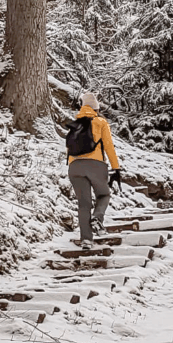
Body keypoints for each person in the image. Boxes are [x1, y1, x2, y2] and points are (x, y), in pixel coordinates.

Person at [68, 92, 121, 250]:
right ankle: (97, 219)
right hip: (95, 165)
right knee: (103, 194)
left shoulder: (74, 123)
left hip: (74, 167)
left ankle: (86, 240)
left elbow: (69, 149)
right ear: (96, 108)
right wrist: (116, 168)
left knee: (83, 204)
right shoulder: (100, 122)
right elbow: (109, 147)